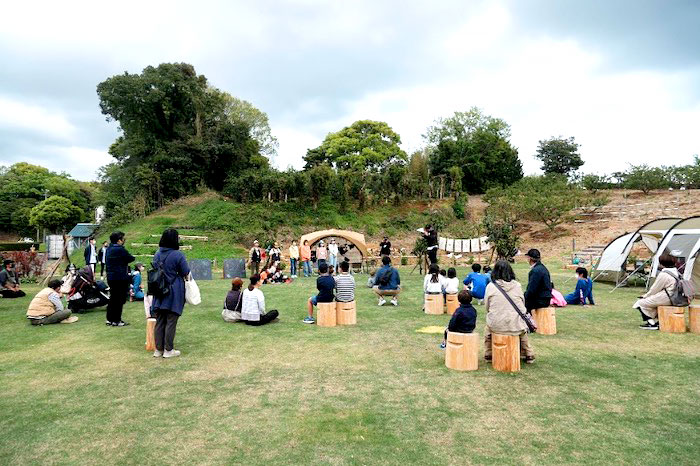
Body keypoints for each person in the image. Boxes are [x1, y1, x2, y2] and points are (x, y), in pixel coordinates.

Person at [483, 260, 535, 363]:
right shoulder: (517, 285)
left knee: (487, 331)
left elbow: (487, 306)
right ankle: (528, 353)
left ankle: (489, 354)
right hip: (515, 325)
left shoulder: (491, 286)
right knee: (522, 331)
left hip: (496, 326)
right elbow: (522, 304)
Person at [151, 228, 191, 357]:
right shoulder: (178, 255)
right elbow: (186, 272)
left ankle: (158, 349)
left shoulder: (157, 254)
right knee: (171, 319)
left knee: (160, 320)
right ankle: (169, 350)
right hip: (174, 290)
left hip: (159, 289)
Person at [633, 254, 678, 330]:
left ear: (662, 263)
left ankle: (652, 323)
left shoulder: (664, 274)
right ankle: (656, 321)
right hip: (675, 297)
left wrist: (645, 296)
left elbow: (655, 289)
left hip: (668, 298)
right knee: (649, 302)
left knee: (640, 303)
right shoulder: (676, 272)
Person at [105, 231, 135, 326]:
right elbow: (130, 258)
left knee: (113, 298)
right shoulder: (120, 249)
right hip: (120, 277)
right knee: (119, 299)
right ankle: (117, 320)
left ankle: (109, 319)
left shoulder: (109, 248)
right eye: (122, 239)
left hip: (111, 277)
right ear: (119, 240)